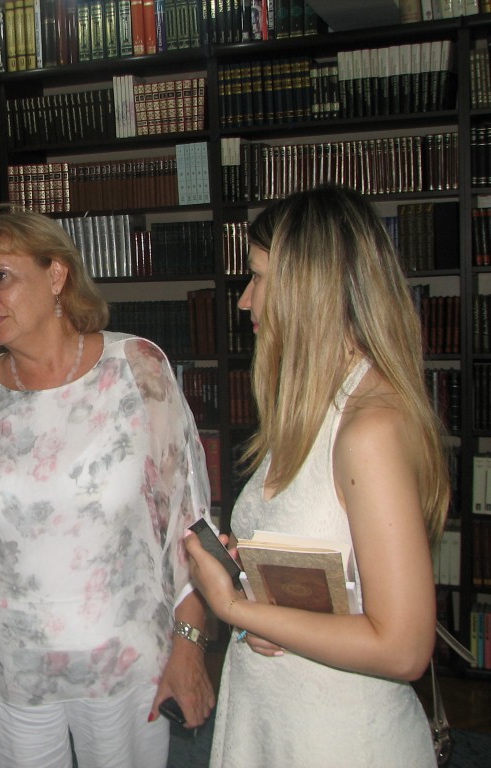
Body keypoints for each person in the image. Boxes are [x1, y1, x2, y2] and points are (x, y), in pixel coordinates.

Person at [0, 205, 215, 768]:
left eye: (0, 276)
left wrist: (190, 644)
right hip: (10, 664)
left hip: (126, 659)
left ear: (56, 275)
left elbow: (189, 519)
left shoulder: (136, 368)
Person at [184, 185, 449, 767]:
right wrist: (257, 589)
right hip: (288, 717)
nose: (245, 300)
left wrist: (234, 607)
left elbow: (403, 647)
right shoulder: (318, 405)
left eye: (258, 278)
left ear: (310, 288)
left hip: (340, 739)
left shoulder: (369, 428)